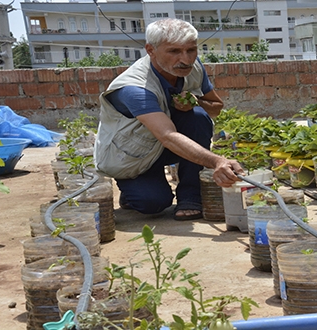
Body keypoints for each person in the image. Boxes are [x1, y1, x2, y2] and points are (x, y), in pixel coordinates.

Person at [94, 18, 244, 221]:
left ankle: (190, 197)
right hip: (132, 156)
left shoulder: (192, 68)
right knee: (153, 204)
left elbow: (215, 108)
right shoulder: (135, 88)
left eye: (191, 50)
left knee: (198, 117)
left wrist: (195, 102)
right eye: (174, 51)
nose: (186, 59)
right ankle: (132, 190)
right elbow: (167, 135)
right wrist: (217, 161)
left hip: (163, 146)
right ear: (151, 50)